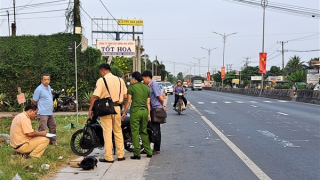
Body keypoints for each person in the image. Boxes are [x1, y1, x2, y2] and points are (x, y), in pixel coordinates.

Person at [88, 63, 127, 163]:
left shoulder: (101, 80)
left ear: (103, 71)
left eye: (101, 72)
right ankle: (121, 155)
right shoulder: (120, 80)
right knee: (118, 131)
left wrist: (90, 109)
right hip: (117, 108)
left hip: (105, 109)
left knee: (107, 133)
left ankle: (108, 157)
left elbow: (95, 96)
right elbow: (125, 95)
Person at [121, 71, 153, 159]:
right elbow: (148, 103)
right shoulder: (146, 88)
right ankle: (149, 151)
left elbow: (128, 101)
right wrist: (149, 114)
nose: (131, 79)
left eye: (132, 78)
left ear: (135, 79)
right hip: (144, 112)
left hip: (135, 111)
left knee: (135, 132)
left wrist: (124, 113)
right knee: (144, 131)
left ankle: (136, 153)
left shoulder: (132, 88)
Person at [141, 71, 166, 155]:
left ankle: (156, 148)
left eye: (143, 78)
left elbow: (160, 97)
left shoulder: (154, 84)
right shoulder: (149, 85)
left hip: (155, 109)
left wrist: (162, 106)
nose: (143, 80)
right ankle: (148, 147)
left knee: (155, 129)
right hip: (151, 109)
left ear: (147, 77)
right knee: (150, 129)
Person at [32, 73, 57, 145]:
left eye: (48, 79)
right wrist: (37, 109)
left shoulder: (49, 87)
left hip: (50, 112)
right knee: (42, 129)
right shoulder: (39, 89)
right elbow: (34, 101)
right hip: (42, 113)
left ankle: (52, 142)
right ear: (41, 80)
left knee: (53, 127)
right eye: (45, 80)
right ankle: (41, 143)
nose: (47, 81)